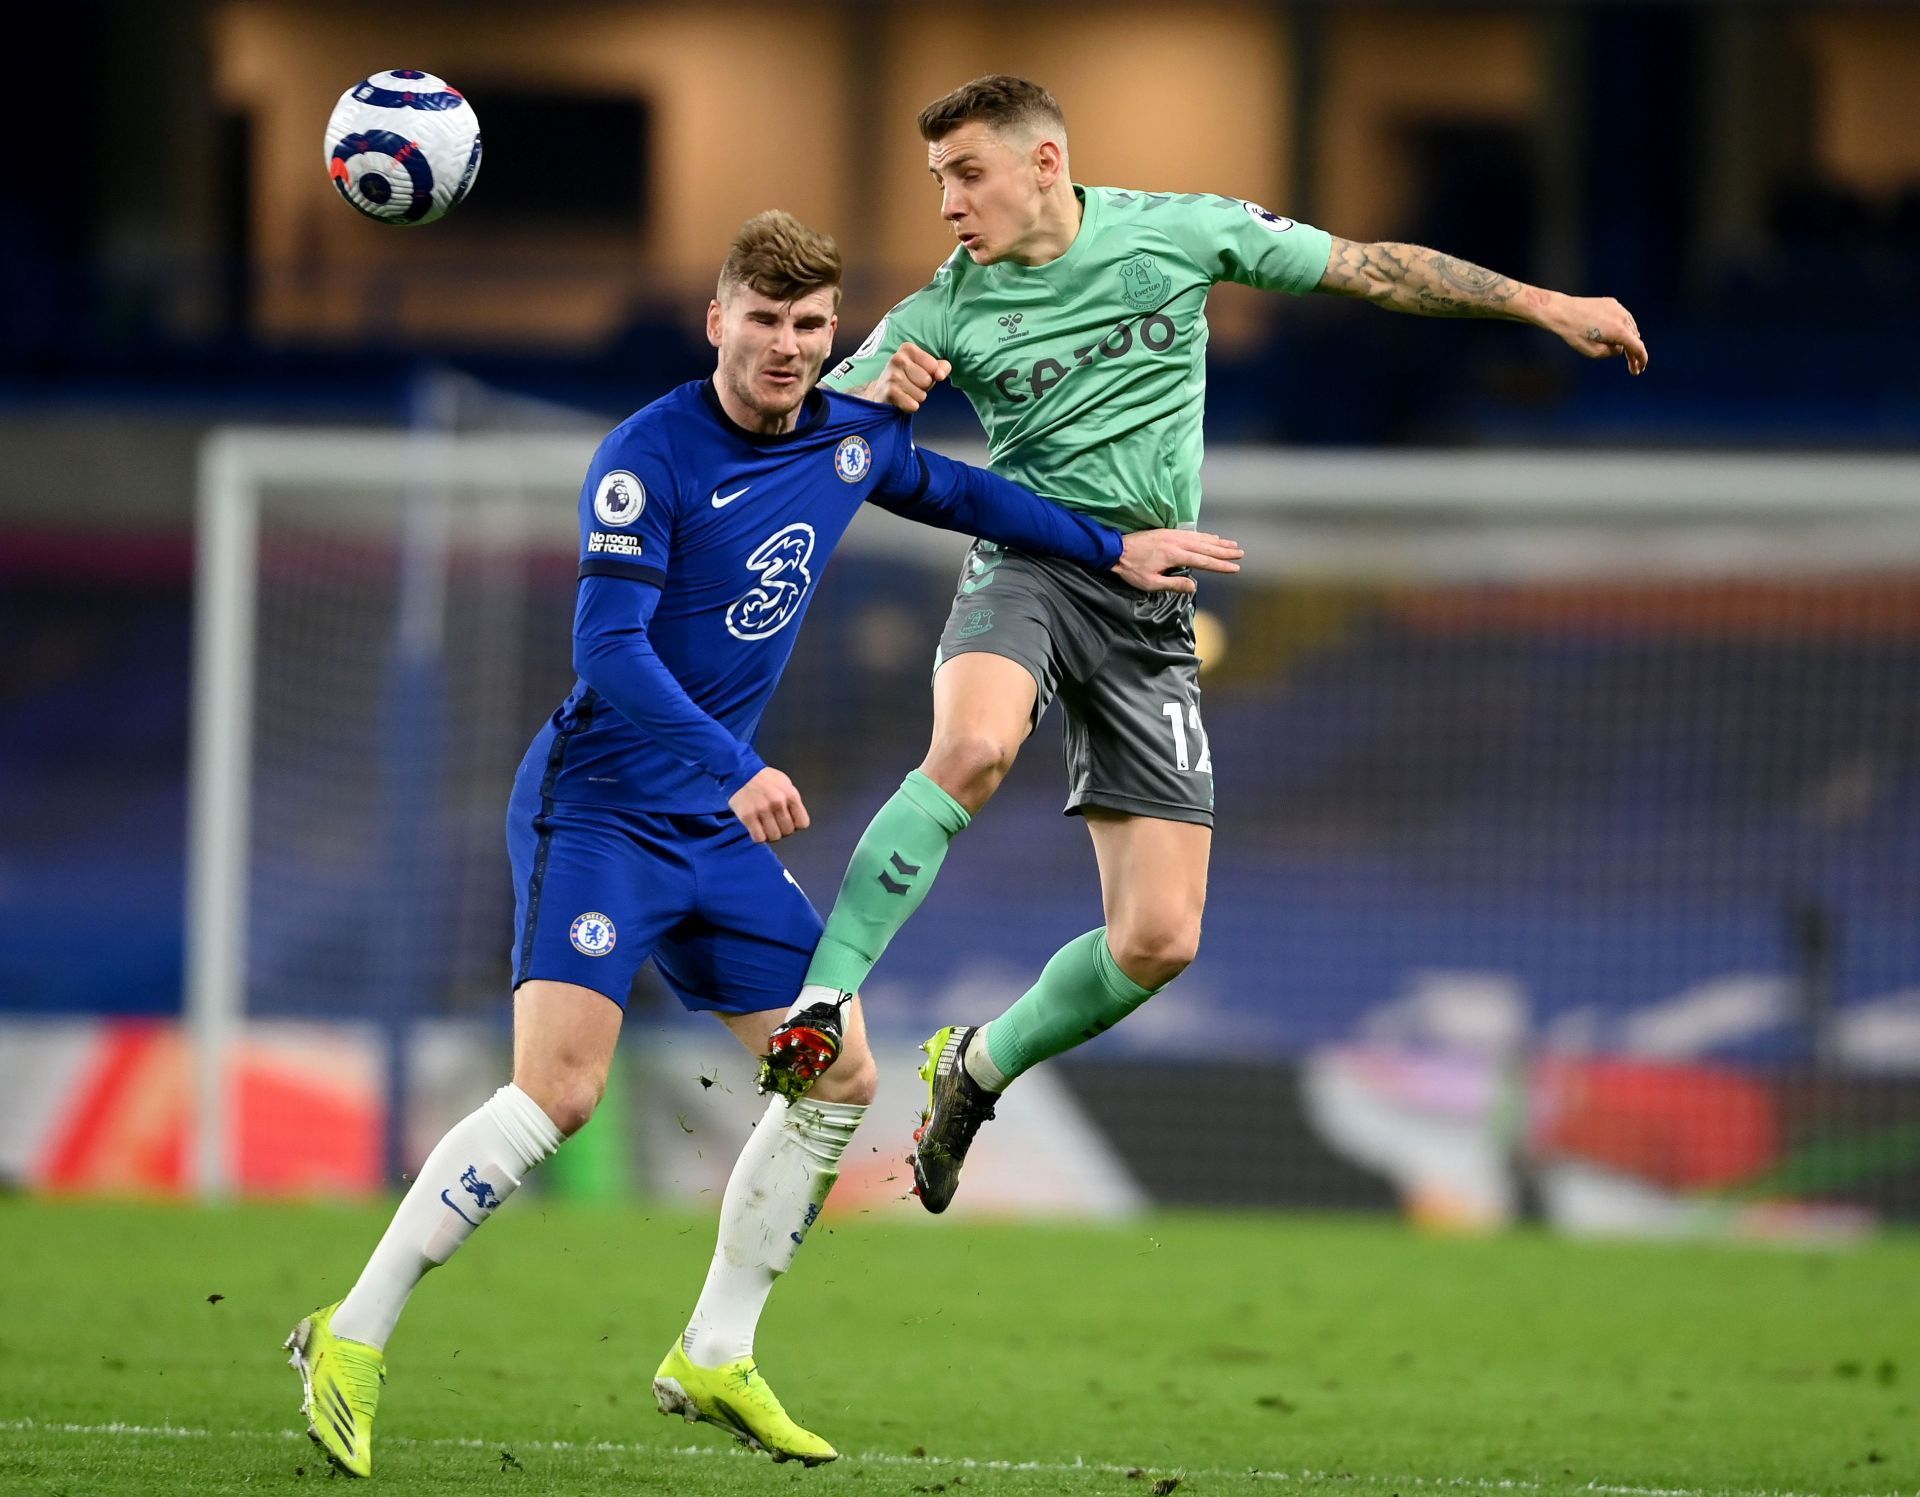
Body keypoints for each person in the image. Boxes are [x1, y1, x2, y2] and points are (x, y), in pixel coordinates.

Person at [282, 209, 1241, 1477]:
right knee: (560, 1093)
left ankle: (716, 1351)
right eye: (764, 321)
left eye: (809, 325)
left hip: (715, 831)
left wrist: (1115, 546)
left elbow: (965, 494)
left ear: (830, 331)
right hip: (607, 811)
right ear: (717, 320)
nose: (786, 347)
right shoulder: (647, 457)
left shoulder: (847, 443)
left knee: (837, 1077)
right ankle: (349, 1336)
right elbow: (607, 653)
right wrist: (740, 766)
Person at [762, 75, 1648, 1212]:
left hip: (1152, 606)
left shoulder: (1178, 234)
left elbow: (1369, 266)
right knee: (975, 748)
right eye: (938, 178)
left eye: (966, 173)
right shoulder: (939, 310)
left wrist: (1544, 304)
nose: (947, 203)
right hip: (1030, 566)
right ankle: (825, 1000)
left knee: (1160, 938)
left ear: (1045, 165)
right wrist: (874, 404)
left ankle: (974, 1069)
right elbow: (796, 443)